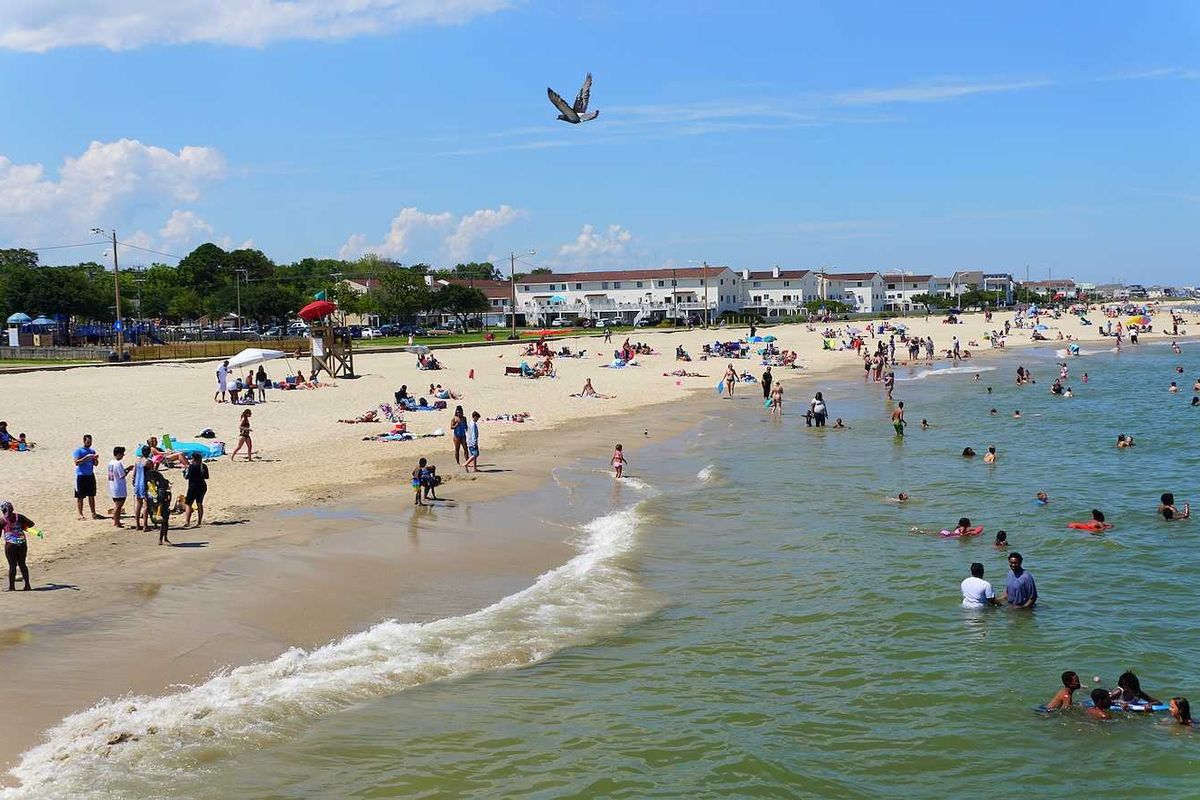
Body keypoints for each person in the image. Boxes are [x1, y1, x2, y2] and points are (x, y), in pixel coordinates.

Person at [0, 501, 32, 591]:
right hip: (22, 543)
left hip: (10, 545)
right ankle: (27, 585)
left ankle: (12, 587)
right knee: (22, 564)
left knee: (12, 566)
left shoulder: (2, 520)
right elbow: (31, 524)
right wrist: (21, 526)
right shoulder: (19, 517)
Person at [73, 434, 101, 520]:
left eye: (90, 441)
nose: (89, 443)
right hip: (81, 475)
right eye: (88, 441)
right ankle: (80, 514)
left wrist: (95, 459)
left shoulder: (92, 451)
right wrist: (86, 457)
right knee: (80, 496)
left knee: (91, 495)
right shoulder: (79, 451)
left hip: (90, 475)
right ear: (84, 441)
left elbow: (95, 464)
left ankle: (93, 513)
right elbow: (76, 462)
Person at [182, 452, 208, 528]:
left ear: (193, 459)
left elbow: (187, 477)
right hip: (202, 486)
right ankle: (199, 521)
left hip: (193, 486)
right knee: (199, 503)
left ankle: (187, 521)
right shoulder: (203, 466)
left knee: (188, 504)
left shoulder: (192, 467)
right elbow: (206, 476)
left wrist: (184, 472)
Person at [107, 446, 130, 528]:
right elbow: (122, 475)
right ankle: (117, 522)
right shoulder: (117, 463)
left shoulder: (111, 463)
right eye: (122, 454)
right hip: (118, 487)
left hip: (113, 486)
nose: (123, 455)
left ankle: (116, 521)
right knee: (118, 506)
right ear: (119, 454)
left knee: (117, 506)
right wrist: (128, 469)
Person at [132, 445, 152, 532]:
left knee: (138, 504)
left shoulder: (137, 461)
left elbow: (134, 474)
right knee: (146, 505)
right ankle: (145, 525)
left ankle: (137, 524)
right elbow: (152, 473)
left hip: (137, 483)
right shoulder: (148, 462)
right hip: (145, 483)